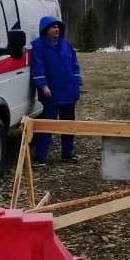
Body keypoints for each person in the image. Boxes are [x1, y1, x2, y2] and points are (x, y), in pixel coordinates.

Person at [31, 15, 82, 164]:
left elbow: (74, 63)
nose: (57, 29)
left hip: (68, 90)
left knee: (68, 124)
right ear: (45, 29)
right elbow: (37, 66)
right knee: (47, 125)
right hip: (51, 92)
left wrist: (77, 80)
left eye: (58, 27)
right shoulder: (38, 46)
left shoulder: (66, 44)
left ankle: (67, 153)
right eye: (53, 27)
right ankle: (41, 156)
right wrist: (43, 85)